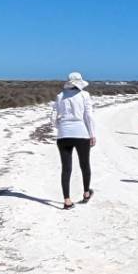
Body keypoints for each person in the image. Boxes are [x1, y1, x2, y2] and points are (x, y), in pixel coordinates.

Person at [51, 72, 100, 209]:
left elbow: (53, 118)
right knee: (85, 165)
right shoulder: (84, 95)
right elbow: (89, 116)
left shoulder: (60, 96)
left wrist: (61, 128)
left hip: (63, 135)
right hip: (81, 133)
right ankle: (86, 193)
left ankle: (67, 201)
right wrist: (92, 134)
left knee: (66, 169)